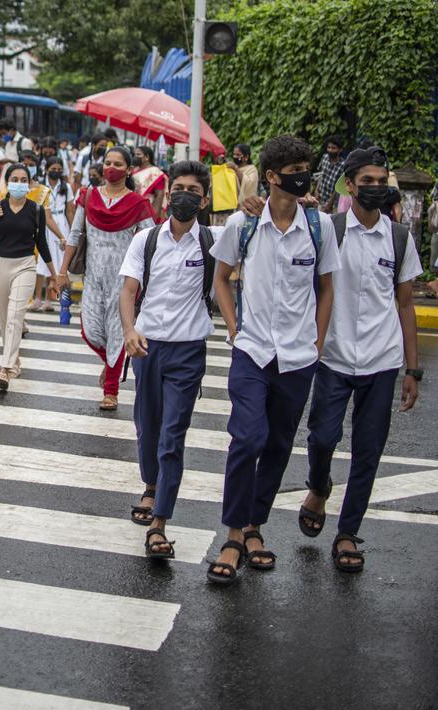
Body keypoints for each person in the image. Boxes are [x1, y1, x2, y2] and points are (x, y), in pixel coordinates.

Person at [206, 135, 339, 585]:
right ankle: (231, 534)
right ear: (271, 176)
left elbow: (326, 289)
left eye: (307, 166)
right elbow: (221, 279)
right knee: (247, 438)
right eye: (294, 169)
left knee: (279, 444)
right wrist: (232, 326)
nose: (302, 175)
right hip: (252, 351)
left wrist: (317, 342)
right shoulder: (242, 226)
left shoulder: (318, 227)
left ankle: (254, 528)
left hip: (298, 357)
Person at [297, 147, 421, 573]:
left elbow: (405, 305)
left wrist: (412, 368)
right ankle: (318, 485)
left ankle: (348, 533)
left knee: (368, 451)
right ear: (349, 184)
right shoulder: (329, 230)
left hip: (381, 360)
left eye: (380, 180)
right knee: (322, 438)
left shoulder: (398, 238)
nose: (374, 188)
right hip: (331, 356)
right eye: (365, 181)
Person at [117, 161, 215, 560]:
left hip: (189, 351)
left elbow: (259, 235)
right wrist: (129, 331)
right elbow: (128, 291)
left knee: (173, 434)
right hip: (147, 346)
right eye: (179, 187)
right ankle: (152, 484)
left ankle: (159, 522)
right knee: (148, 426)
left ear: (204, 199)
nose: (184, 194)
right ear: (167, 192)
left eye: (193, 189)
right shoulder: (147, 240)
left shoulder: (214, 241)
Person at [53, 145, 156, 410]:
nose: (111, 168)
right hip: (92, 277)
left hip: (124, 280)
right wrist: (62, 272)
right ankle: (110, 363)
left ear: (129, 170)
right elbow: (75, 235)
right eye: (108, 162)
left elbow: (151, 239)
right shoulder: (88, 197)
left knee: (117, 333)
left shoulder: (138, 203)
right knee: (90, 331)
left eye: (118, 164)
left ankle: (111, 390)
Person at [0, 163, 58, 388]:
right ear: (7, 181)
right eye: (15, 179)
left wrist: (55, 275)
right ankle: (14, 359)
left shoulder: (36, 210)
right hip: (0, 265)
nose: (20, 184)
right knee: (5, 320)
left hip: (25, 265)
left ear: (30, 184)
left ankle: (5, 368)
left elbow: (41, 243)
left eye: (24, 180)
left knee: (15, 316)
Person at [32, 156, 73, 311]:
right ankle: (37, 297)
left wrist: (71, 233)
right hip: (44, 222)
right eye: (53, 169)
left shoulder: (66, 187)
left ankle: (48, 300)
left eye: (58, 169)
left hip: (61, 222)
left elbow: (70, 211)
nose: (56, 172)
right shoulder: (40, 186)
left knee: (56, 262)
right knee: (42, 263)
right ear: (47, 169)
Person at [132, 144, 167, 218]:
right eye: (135, 154)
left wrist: (153, 216)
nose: (135, 157)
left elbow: (159, 196)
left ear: (147, 157)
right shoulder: (133, 170)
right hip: (132, 209)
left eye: (138, 154)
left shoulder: (155, 173)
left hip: (146, 211)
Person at [316, 135, 346, 212]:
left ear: (340, 150)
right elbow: (321, 175)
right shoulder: (324, 158)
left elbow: (338, 188)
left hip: (333, 203)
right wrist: (317, 190)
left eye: (333, 148)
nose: (330, 150)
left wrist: (329, 203)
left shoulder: (343, 165)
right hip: (321, 198)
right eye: (329, 147)